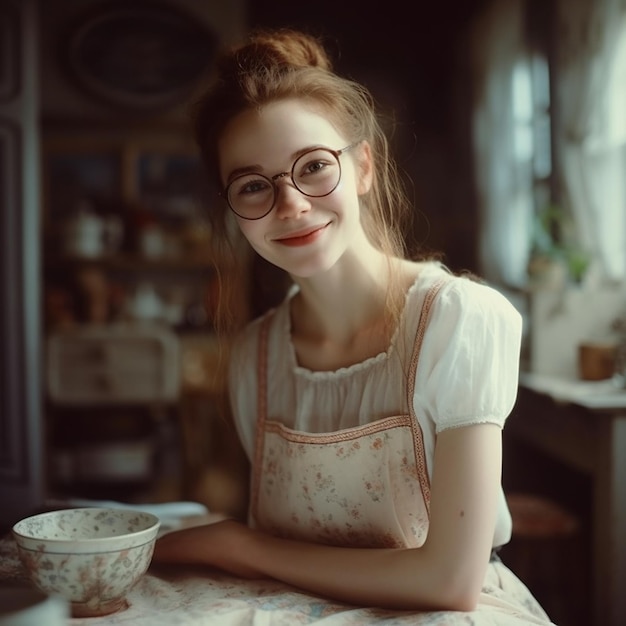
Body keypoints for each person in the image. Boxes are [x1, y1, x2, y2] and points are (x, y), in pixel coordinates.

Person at [153, 28, 554, 624]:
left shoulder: (459, 320)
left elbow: (450, 581)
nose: (290, 205)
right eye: (254, 185)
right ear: (234, 210)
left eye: (313, 166)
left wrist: (241, 545)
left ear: (363, 166)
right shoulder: (255, 356)